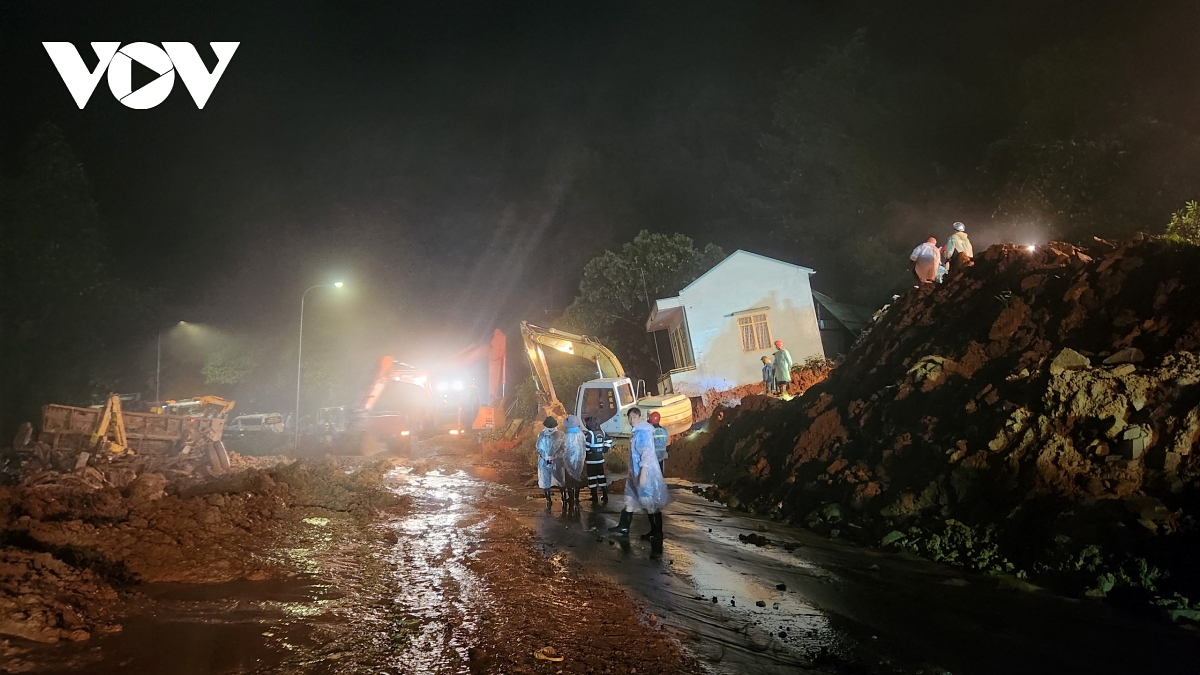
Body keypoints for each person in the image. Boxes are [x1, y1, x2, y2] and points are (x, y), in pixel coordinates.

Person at [608, 407, 670, 541]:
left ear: (639, 417)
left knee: (649, 502)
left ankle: (657, 532)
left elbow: (646, 453)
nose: (631, 420)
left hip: (644, 472)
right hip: (635, 472)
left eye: (634, 417)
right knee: (630, 498)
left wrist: (643, 472)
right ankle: (624, 526)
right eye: (629, 418)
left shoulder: (642, 433)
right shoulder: (638, 432)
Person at [535, 417, 564, 509]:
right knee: (558, 478)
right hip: (555, 460)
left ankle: (549, 500)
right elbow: (564, 449)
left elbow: (538, 448)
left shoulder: (542, 435)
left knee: (547, 479)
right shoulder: (560, 435)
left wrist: (546, 456)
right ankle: (563, 498)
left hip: (546, 460)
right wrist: (553, 456)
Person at [584, 416, 612, 504]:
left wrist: (587, 453)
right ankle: (605, 494)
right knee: (601, 476)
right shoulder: (602, 432)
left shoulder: (589, 434)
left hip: (591, 460)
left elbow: (586, 447)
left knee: (592, 478)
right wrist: (605, 449)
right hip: (600, 459)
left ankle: (594, 496)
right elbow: (609, 440)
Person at [561, 414, 586, 509]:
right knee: (577, 477)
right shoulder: (581, 434)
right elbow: (584, 447)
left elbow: (564, 449)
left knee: (569, 479)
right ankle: (576, 497)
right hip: (579, 460)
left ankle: (570, 497)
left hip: (569, 461)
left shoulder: (566, 436)